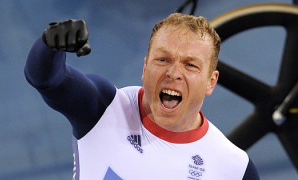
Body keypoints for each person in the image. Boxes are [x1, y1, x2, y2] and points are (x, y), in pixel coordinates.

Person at [25, 13, 260, 180]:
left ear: (211, 82)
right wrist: (49, 44)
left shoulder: (236, 169)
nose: (174, 73)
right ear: (145, 67)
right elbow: (47, 80)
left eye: (190, 65)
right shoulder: (105, 108)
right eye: (163, 59)